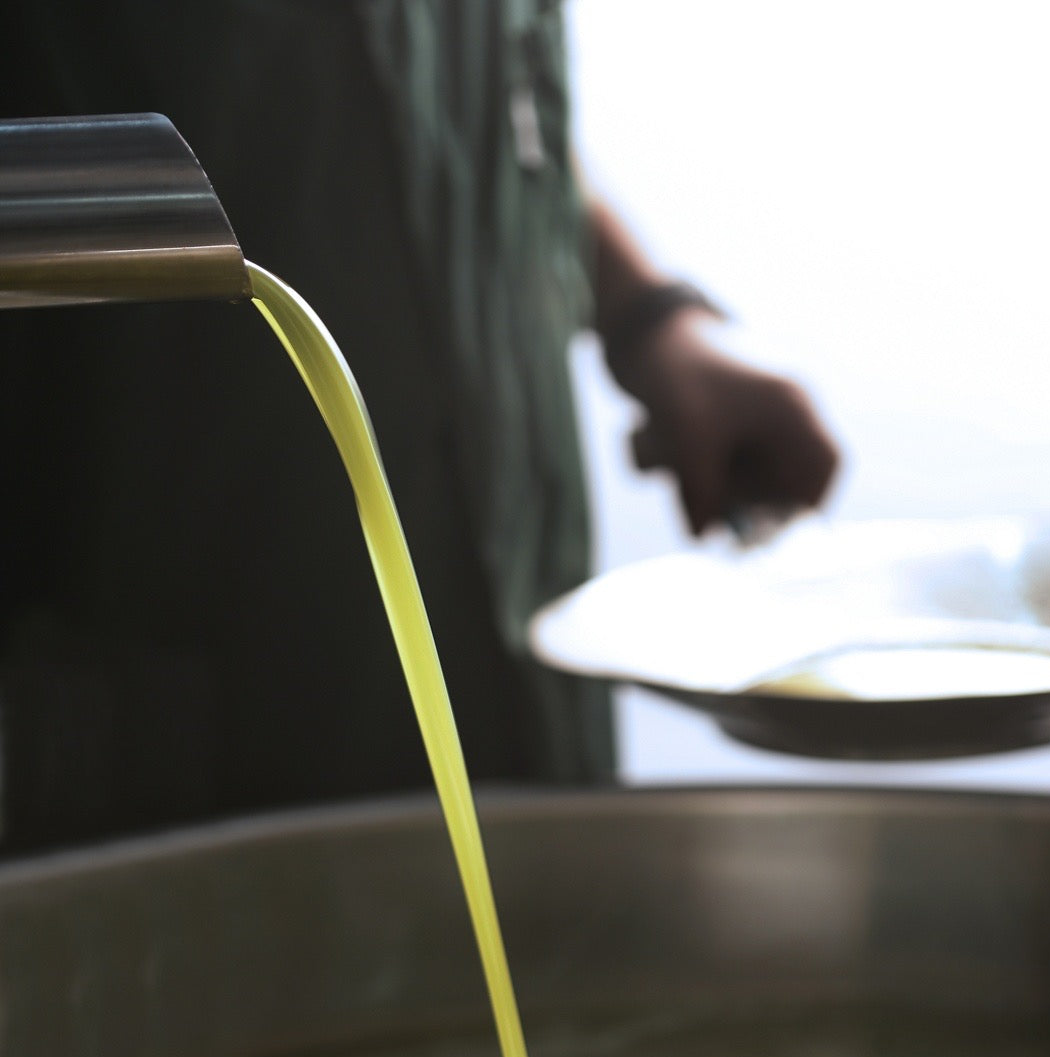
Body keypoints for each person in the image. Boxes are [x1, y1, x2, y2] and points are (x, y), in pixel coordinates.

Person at [0, 0, 838, 854]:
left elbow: (486, 104)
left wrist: (648, 318)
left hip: (526, 686)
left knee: (554, 940)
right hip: (178, 744)